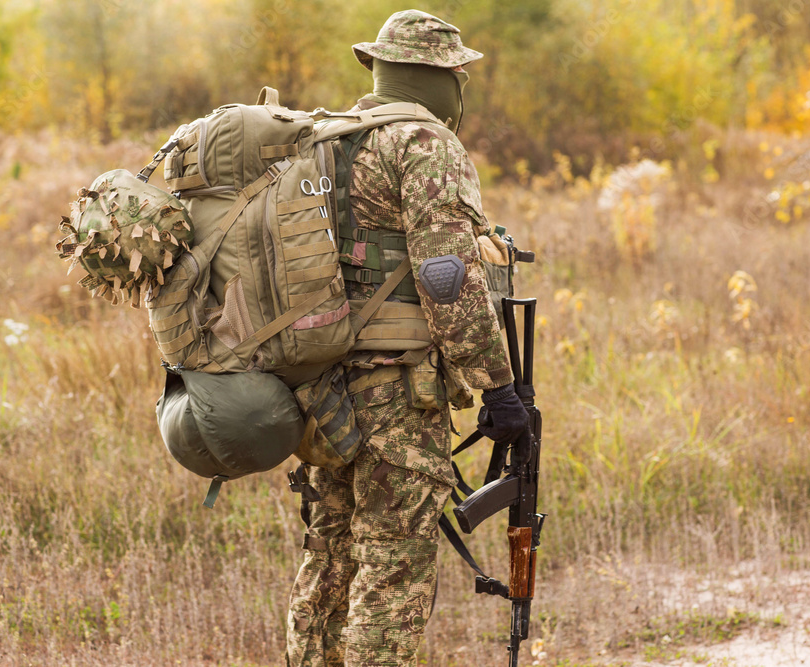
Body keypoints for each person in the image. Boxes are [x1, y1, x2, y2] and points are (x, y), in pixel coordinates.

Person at [285, 10, 528, 666]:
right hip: (395, 391)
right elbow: (447, 277)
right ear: (436, 78)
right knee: (393, 573)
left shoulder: (324, 140)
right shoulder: (424, 143)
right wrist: (498, 385)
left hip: (317, 387)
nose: (462, 88)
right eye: (458, 75)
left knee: (329, 561)